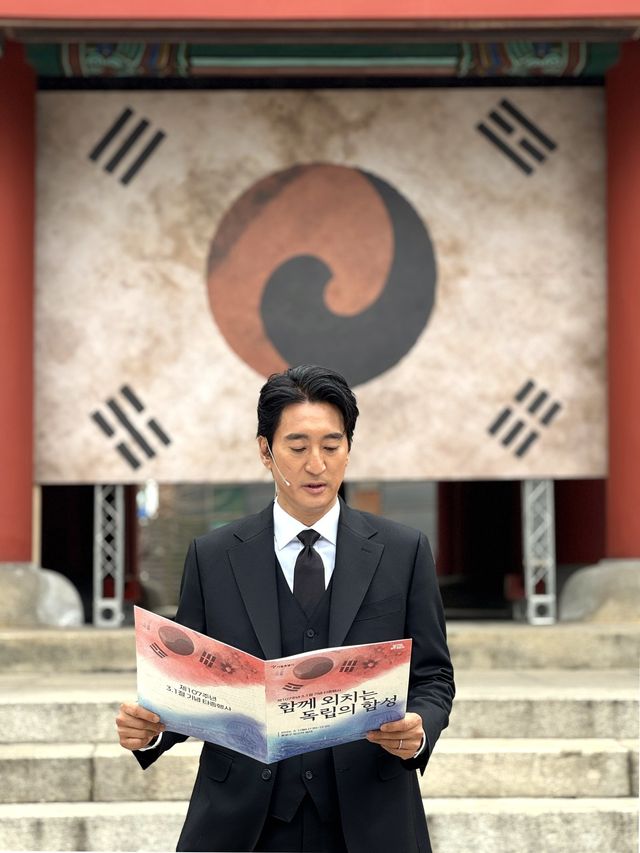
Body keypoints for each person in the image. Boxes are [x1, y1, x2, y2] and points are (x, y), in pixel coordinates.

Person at [116, 364, 455, 853]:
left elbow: (434, 675)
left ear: (348, 449)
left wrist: (419, 728)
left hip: (369, 816)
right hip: (243, 823)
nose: (316, 465)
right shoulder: (213, 557)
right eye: (297, 448)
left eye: (331, 446)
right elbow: (189, 684)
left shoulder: (404, 552)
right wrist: (150, 730)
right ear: (265, 451)